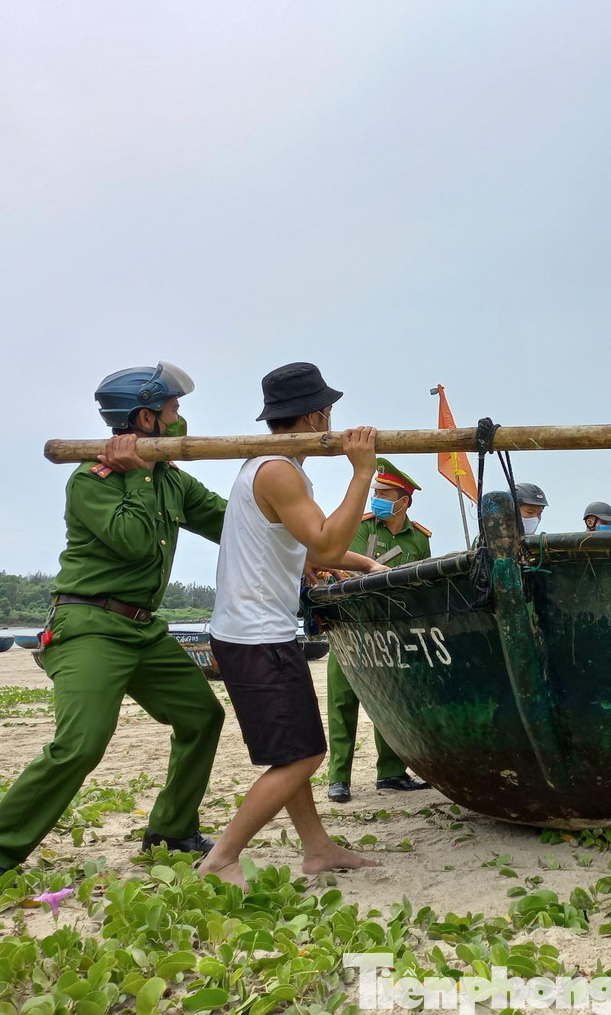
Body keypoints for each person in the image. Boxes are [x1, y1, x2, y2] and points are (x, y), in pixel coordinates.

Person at [0, 362, 227, 890]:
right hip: (90, 624)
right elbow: (132, 540)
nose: (180, 419)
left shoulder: (172, 480)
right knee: (81, 743)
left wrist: (309, 539)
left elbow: (229, 522)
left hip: (145, 628)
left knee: (202, 716)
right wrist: (137, 472)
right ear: (145, 418)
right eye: (172, 410)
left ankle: (171, 832)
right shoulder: (90, 479)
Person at [197, 362, 387, 885]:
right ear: (313, 416)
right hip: (258, 637)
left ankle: (318, 849)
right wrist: (362, 472)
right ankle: (221, 857)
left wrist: (366, 563)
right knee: (304, 757)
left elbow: (307, 552)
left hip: (248, 631)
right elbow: (324, 542)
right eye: (329, 413)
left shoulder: (268, 466)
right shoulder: (278, 470)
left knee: (291, 751)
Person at [325, 457, 434, 802]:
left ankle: (391, 772)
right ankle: (338, 778)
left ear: (404, 500)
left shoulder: (419, 538)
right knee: (342, 702)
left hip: (392, 634)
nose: (377, 498)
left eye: (384, 493)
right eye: (376, 492)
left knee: (392, 703)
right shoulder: (362, 527)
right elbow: (344, 566)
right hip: (350, 628)